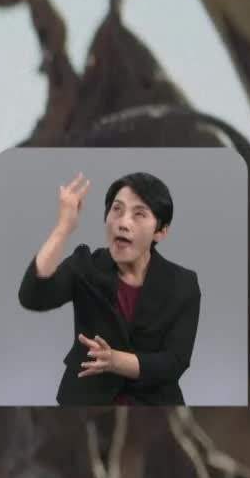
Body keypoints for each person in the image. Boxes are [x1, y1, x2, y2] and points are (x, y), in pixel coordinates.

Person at [18, 171, 201, 405]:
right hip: (84, 410)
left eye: (139, 214)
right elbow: (33, 296)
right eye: (117, 209)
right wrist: (64, 227)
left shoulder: (183, 284)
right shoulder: (84, 265)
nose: (124, 223)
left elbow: (175, 362)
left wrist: (115, 361)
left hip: (154, 411)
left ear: (161, 231)